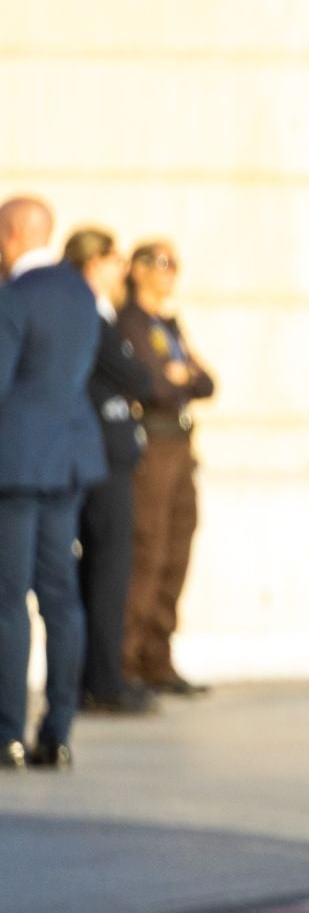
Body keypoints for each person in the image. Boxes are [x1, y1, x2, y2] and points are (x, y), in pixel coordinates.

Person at [0, 196, 108, 769]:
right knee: (61, 597)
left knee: (8, 599)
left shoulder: (14, 296)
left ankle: (7, 733)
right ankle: (58, 731)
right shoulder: (81, 293)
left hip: (17, 464)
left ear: (11, 233)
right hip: (68, 460)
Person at [64, 228, 157, 715]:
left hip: (106, 454)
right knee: (107, 568)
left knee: (103, 568)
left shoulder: (100, 310)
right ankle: (102, 680)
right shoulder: (89, 310)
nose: (122, 270)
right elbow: (137, 376)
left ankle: (97, 676)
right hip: (101, 457)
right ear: (93, 262)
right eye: (114, 260)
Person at [119, 241, 215, 697]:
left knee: (177, 548)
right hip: (153, 443)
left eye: (174, 263)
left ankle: (157, 656)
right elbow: (153, 384)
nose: (170, 272)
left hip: (181, 444)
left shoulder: (168, 324)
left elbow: (206, 381)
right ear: (138, 270)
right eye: (161, 263)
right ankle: (127, 660)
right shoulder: (131, 322)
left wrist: (185, 375)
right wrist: (179, 376)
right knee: (148, 549)